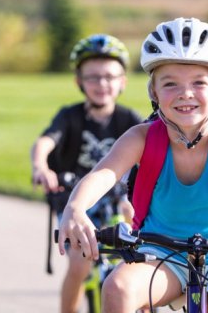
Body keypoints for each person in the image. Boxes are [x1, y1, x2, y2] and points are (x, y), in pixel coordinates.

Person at [57, 17, 208, 313]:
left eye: (199, 82)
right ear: (154, 92)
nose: (185, 93)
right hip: (161, 254)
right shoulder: (142, 138)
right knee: (117, 287)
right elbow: (104, 173)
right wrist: (75, 207)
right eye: (170, 84)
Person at [31, 34, 143, 313]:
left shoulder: (130, 120)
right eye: (92, 77)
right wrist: (41, 167)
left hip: (117, 197)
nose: (102, 84)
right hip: (73, 199)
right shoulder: (69, 116)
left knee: (140, 248)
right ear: (78, 81)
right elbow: (45, 142)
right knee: (80, 263)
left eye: (109, 76)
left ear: (123, 82)